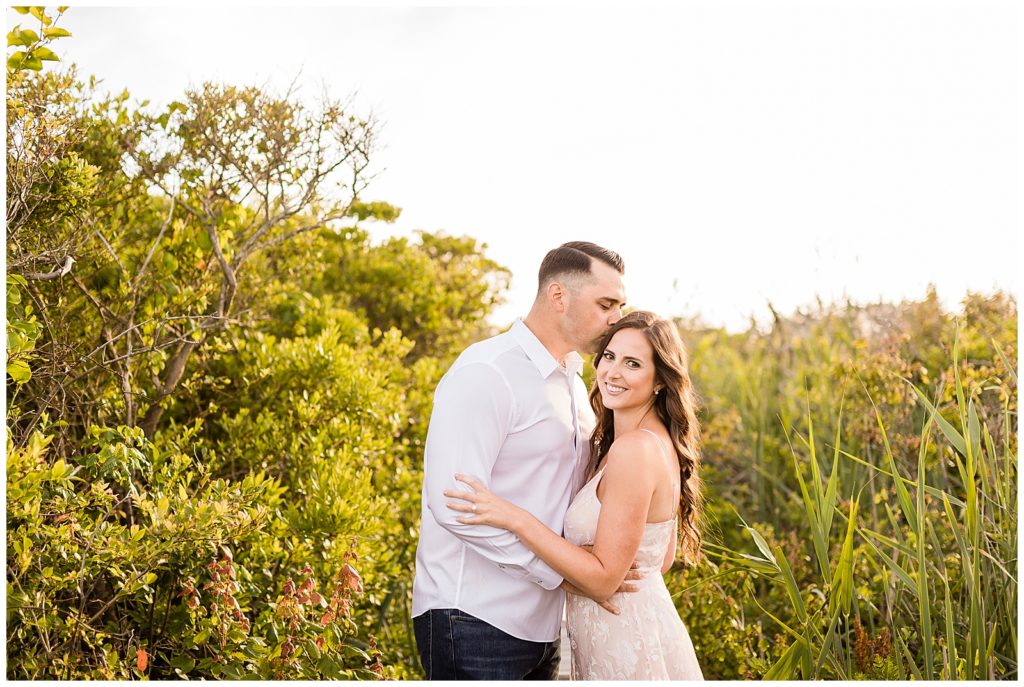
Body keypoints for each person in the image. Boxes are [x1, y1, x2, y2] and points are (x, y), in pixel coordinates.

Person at [445, 310, 705, 680]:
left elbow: (603, 582)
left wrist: (514, 517)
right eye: (610, 357)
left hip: (624, 639)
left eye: (632, 363)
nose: (613, 372)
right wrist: (591, 563)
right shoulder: (648, 443)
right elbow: (657, 560)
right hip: (634, 625)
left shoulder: (635, 451)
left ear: (661, 380)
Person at [411, 241, 630, 680]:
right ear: (557, 295)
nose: (616, 319)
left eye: (622, 306)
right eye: (606, 304)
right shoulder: (487, 372)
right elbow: (454, 504)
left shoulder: (575, 383)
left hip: (547, 626)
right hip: (473, 617)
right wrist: (558, 574)